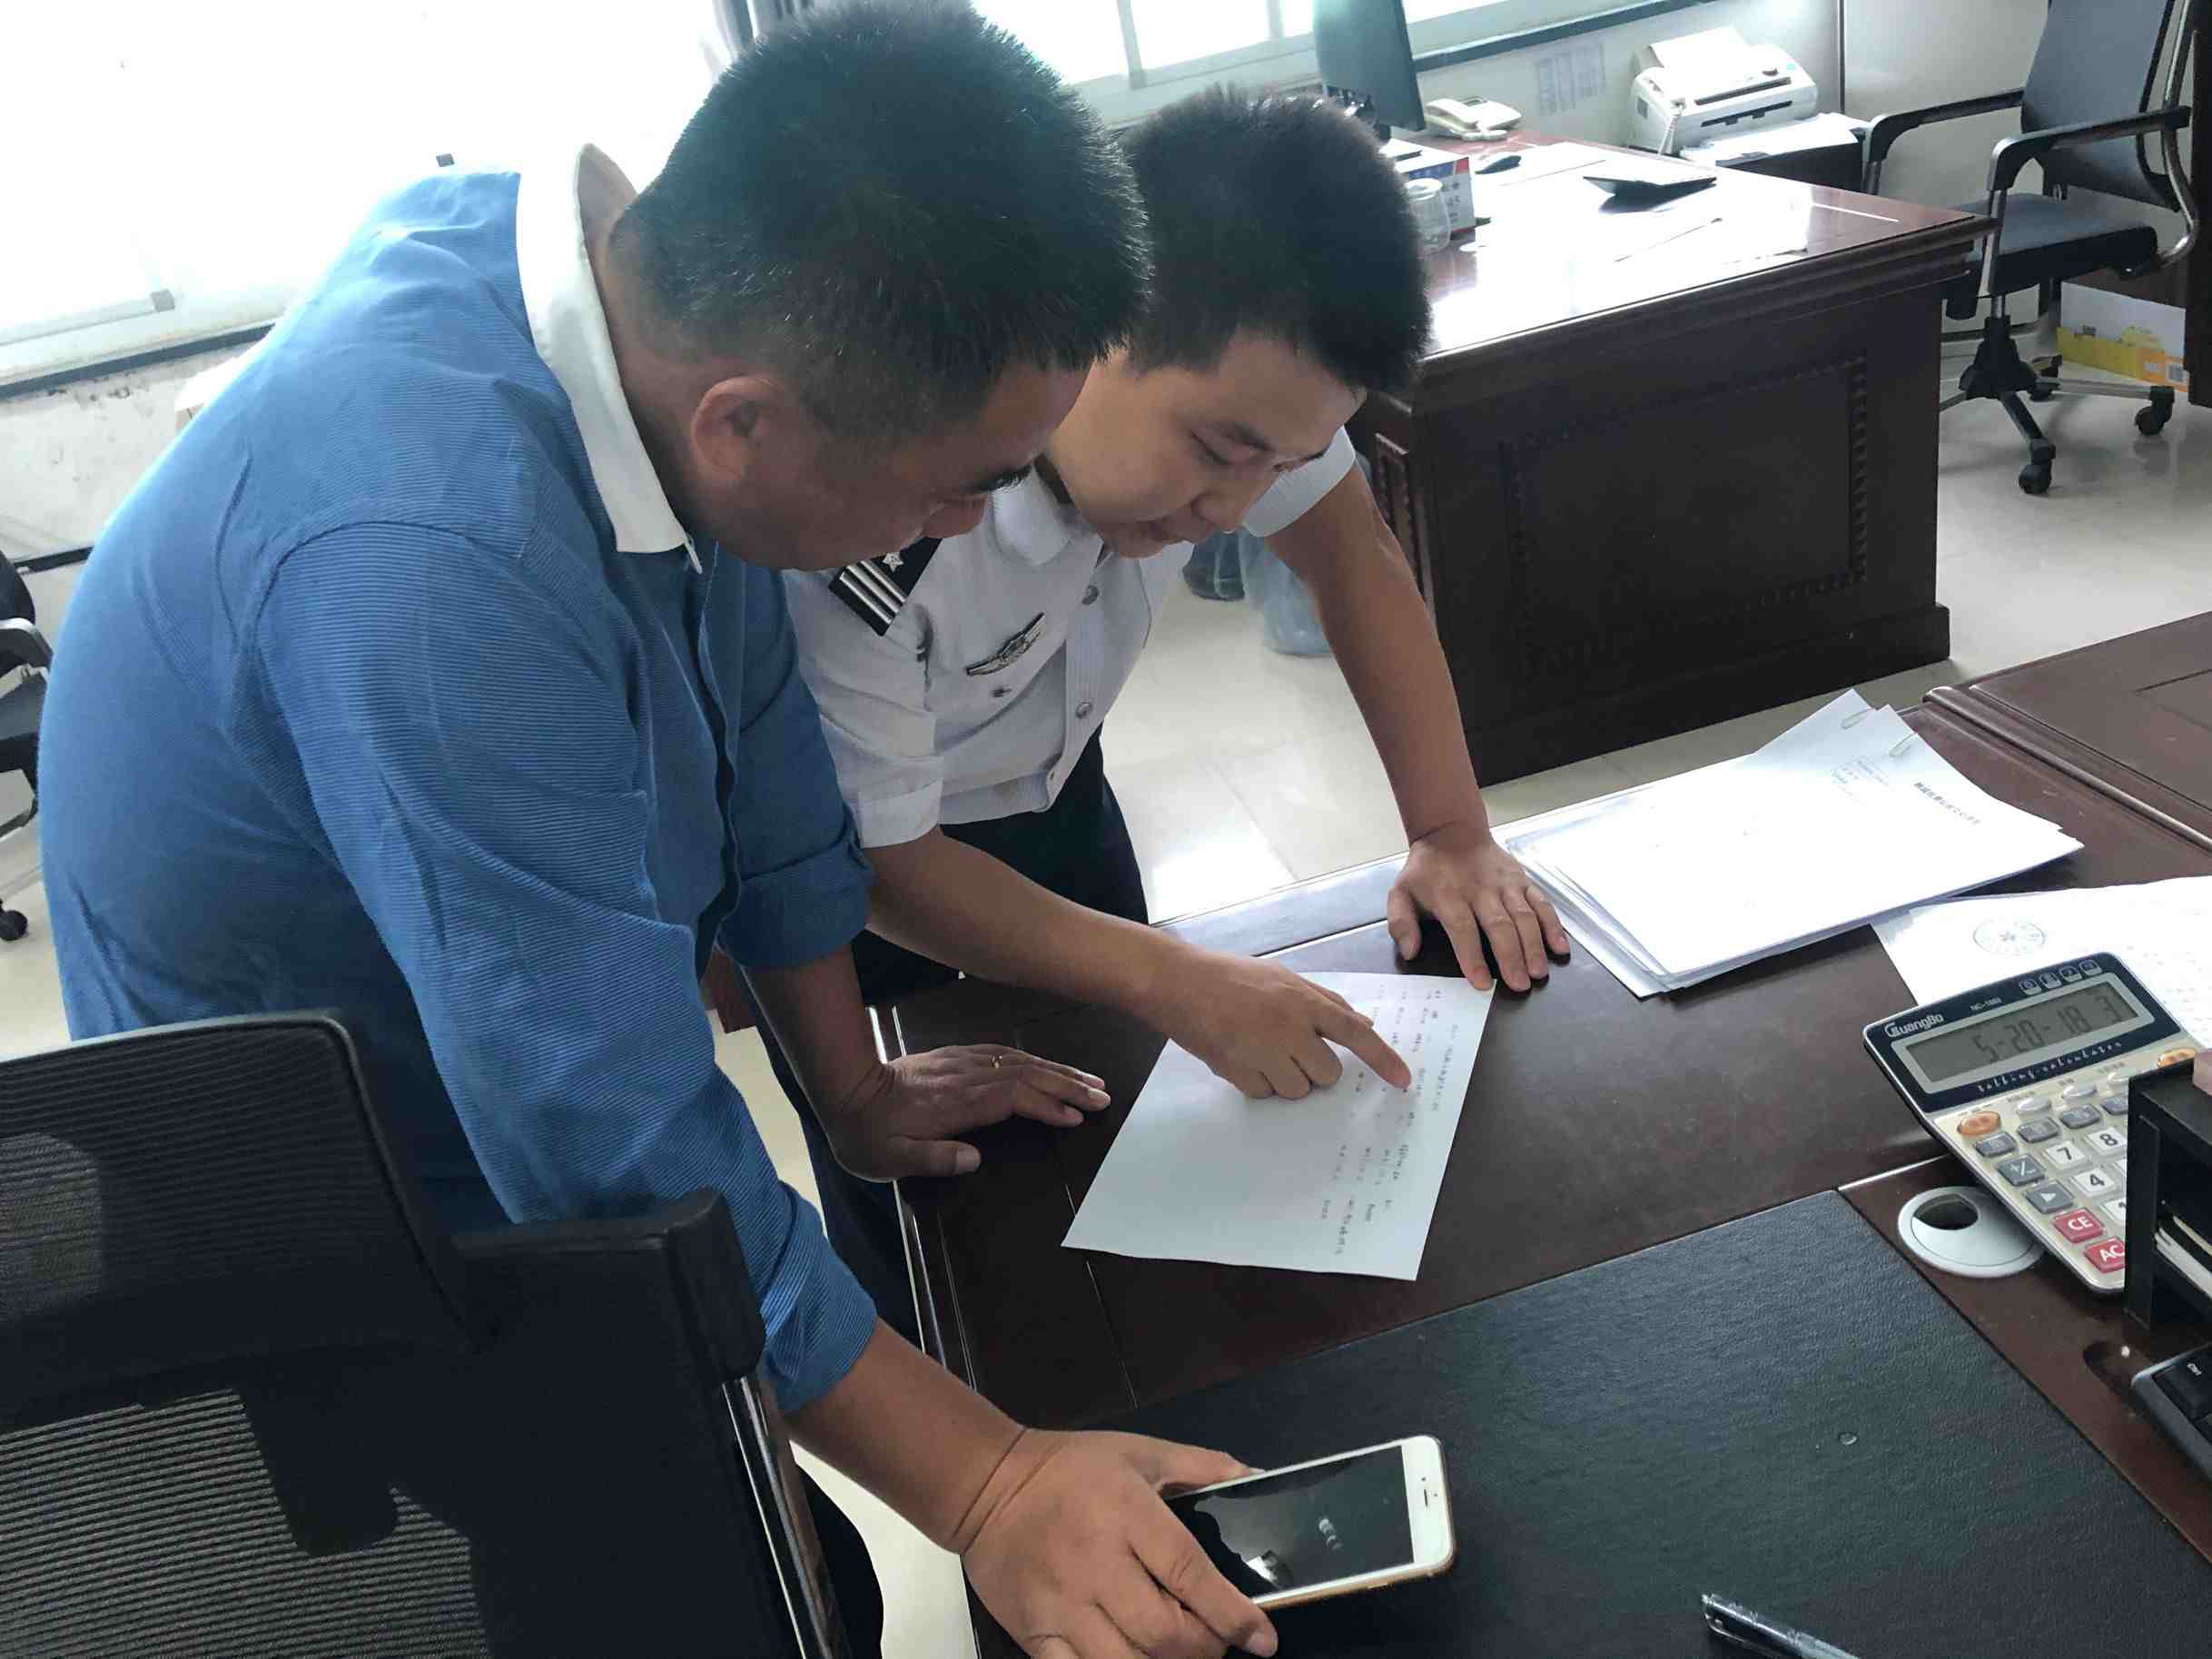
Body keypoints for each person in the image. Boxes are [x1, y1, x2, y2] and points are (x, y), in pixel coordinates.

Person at [35, 13, 1279, 1659]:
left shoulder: (635, 314)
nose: (974, 521)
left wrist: (847, 1085)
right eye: (953, 485)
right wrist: (989, 1487)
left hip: (473, 993)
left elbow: (765, 757)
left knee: (788, 1523)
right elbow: (597, 1124)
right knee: (731, 1586)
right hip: (324, 1148)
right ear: (741, 424)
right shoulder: (432, 562)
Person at [775, 87, 1571, 1330]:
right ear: (1090, 329)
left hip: (1055, 792)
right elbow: (878, 862)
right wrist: (1174, 980)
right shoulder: (888, 512)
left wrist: (1451, 830)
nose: (1232, 508)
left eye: (1276, 462)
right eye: (1219, 452)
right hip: (853, 888)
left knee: (1128, 1156)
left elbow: (1353, 557)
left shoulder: (1258, 389)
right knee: (939, 1216)